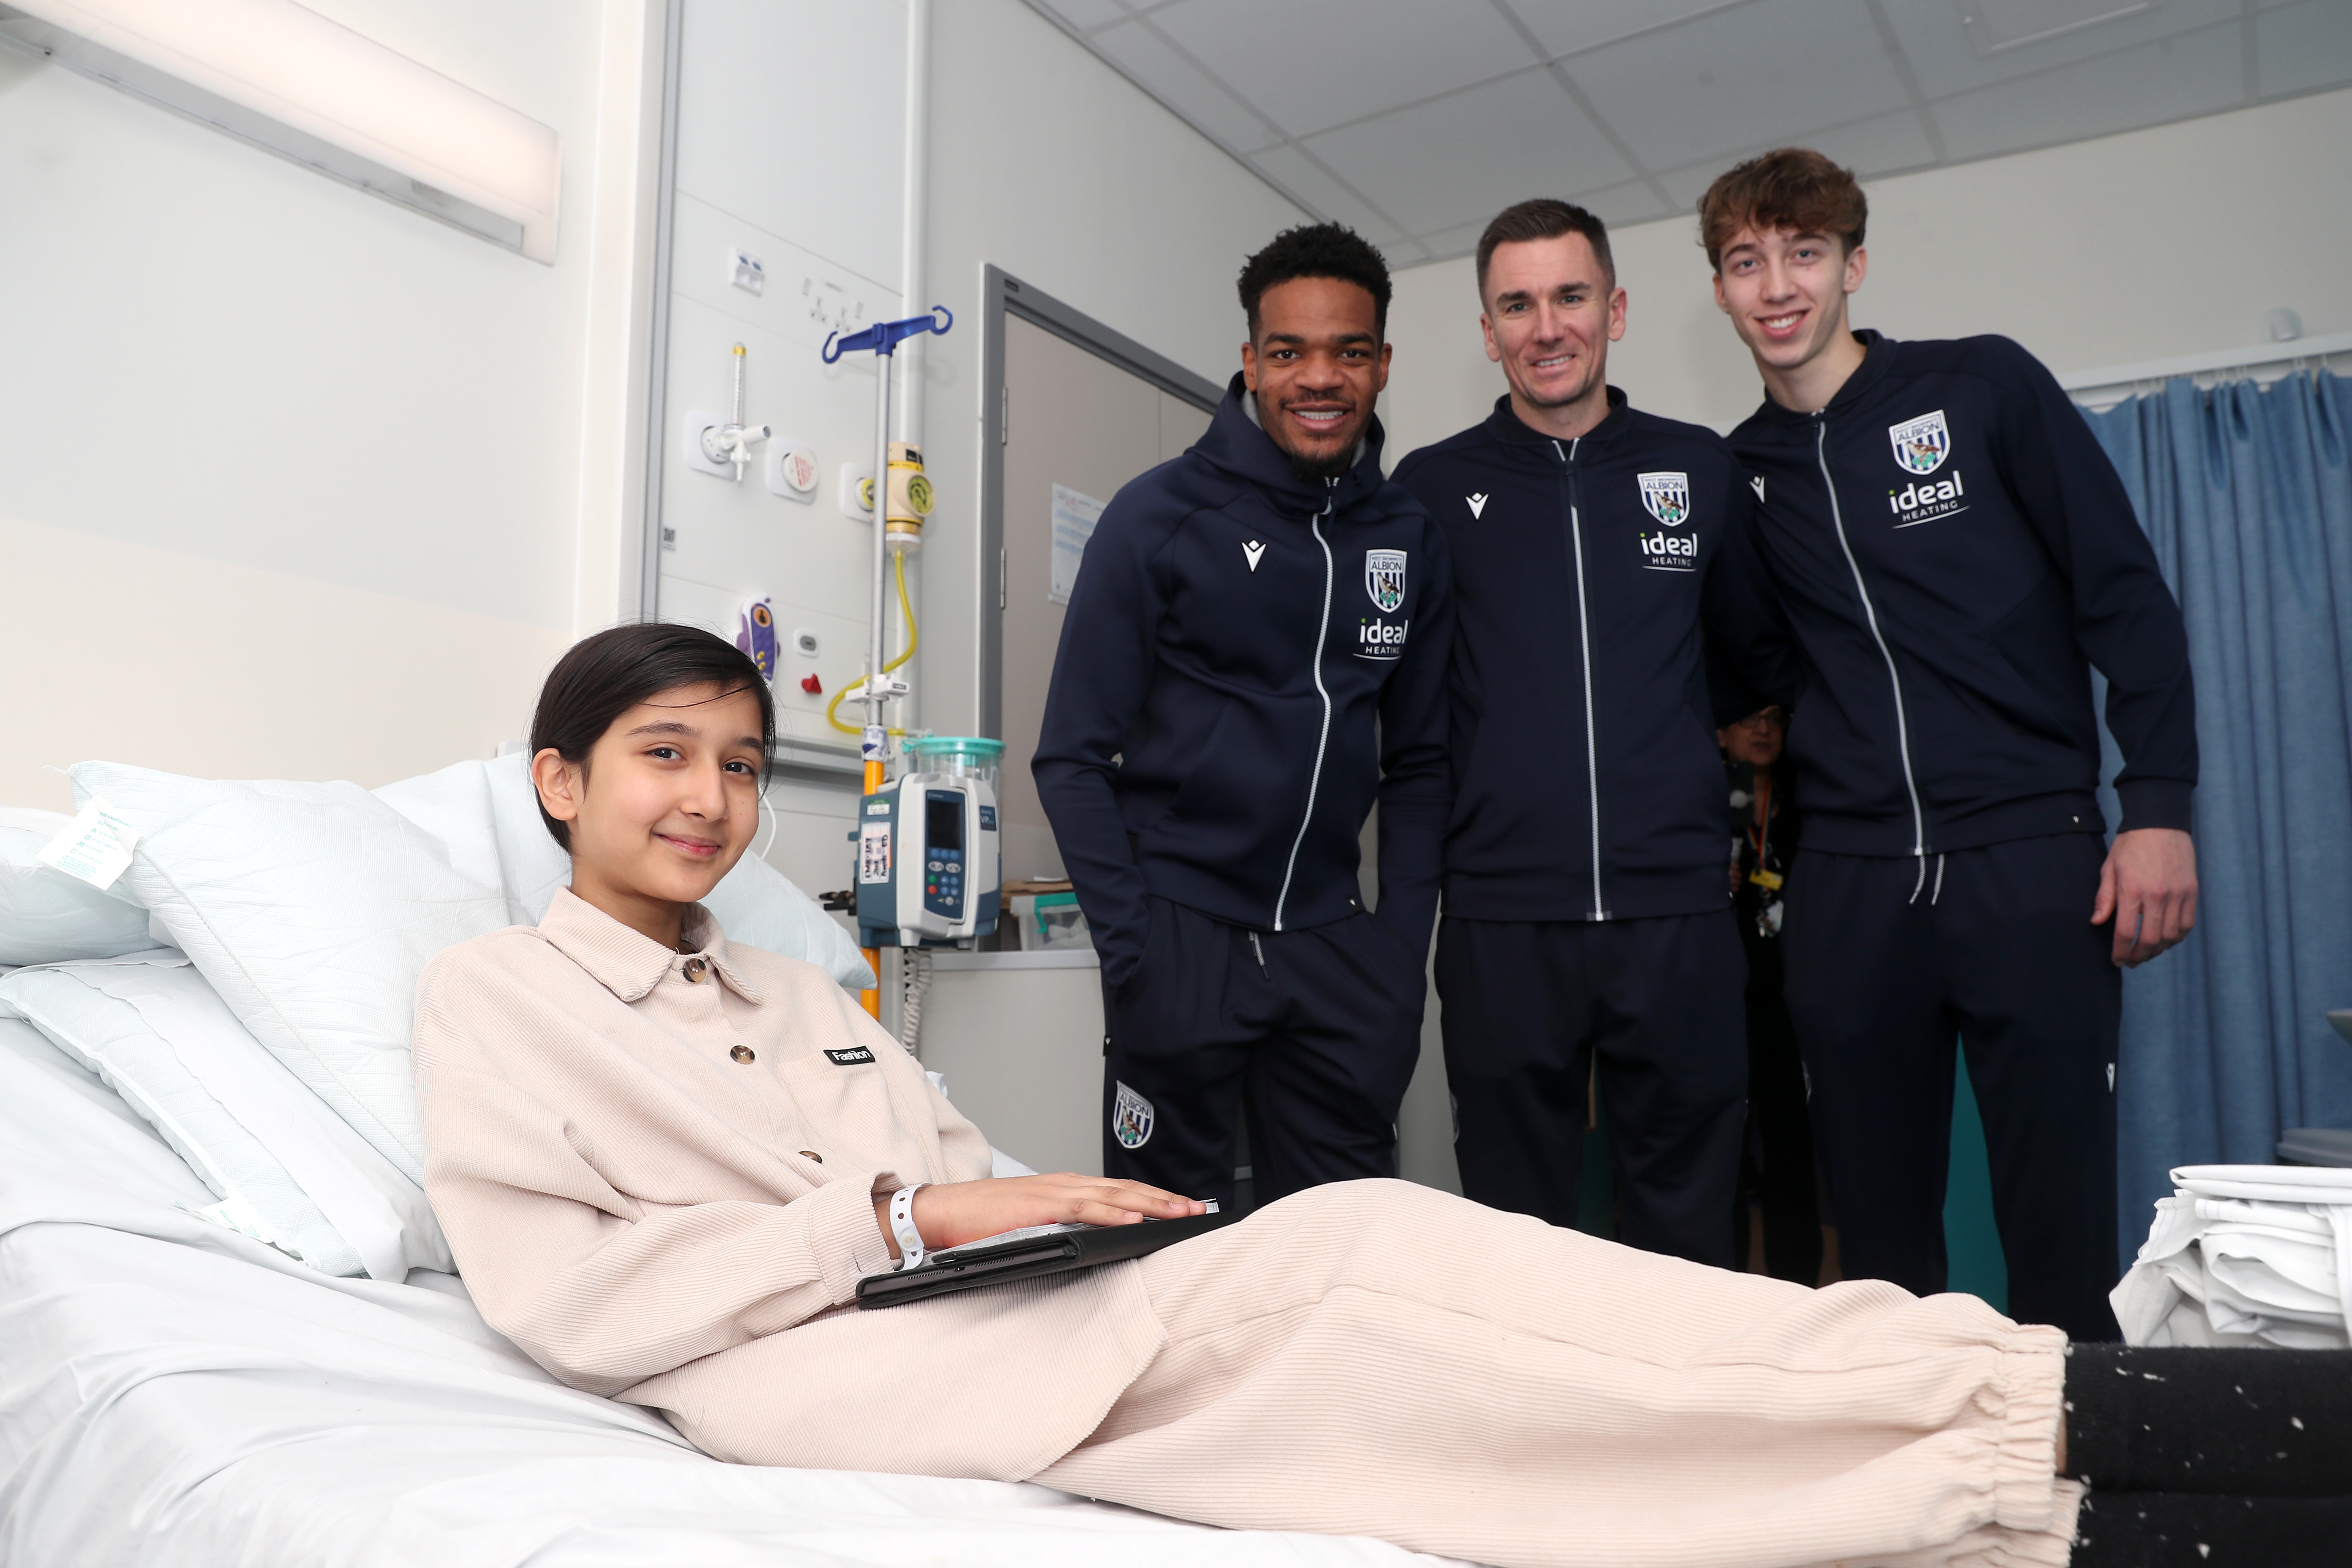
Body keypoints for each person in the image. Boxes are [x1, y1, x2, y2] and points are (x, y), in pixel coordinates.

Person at [410, 623, 2350, 1568]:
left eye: (743, 767)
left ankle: (2079, 1503)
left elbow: (953, 1174)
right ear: (558, 781)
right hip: (814, 1367)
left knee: (1464, 1413)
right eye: (664, 756)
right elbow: (568, 1304)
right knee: (1362, 1250)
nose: (711, 801)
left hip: (983, 1307)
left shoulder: (782, 979)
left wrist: (1043, 1200)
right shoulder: (497, 999)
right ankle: (2054, 1399)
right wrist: (915, 1223)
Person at [1700, 148, 2200, 1341]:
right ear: (1718, 289)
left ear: (1854, 265)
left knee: (2058, 1222)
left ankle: (2074, 1486)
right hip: (1854, 887)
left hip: (2031, 856)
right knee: (1877, 1248)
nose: (1777, 285)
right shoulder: (1739, 473)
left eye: (1804, 253)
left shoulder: (1980, 390)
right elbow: (1755, 669)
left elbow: (2123, 596)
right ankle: (1907, 1495)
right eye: (1745, 261)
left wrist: (2162, 809)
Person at [1390, 199, 1791, 1265]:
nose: (1546, 326)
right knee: (1515, 1232)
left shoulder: (1699, 470)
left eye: (1569, 296)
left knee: (1688, 1216)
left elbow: (1748, 662)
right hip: (1502, 927)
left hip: (1678, 918)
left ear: (1614, 310)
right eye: (1515, 305)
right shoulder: (1428, 491)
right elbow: (1407, 703)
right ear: (1487, 332)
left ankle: (1682, 1428)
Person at [1031, 224, 1453, 1210]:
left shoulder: (1409, 538)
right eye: (1289, 352)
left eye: (1349, 351)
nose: (1320, 377)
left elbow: (1423, 763)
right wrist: (1137, 950)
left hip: (1337, 950)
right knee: (1162, 1243)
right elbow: (1072, 757)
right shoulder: (1162, 514)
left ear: (1383, 364)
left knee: (1345, 1244)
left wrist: (1399, 950)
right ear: (1251, 363)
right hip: (1181, 941)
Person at [1719, 703, 1822, 1285]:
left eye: (1776, 719)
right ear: (1719, 729)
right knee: (1723, 1156)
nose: (1762, 728)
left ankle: (1800, 1291)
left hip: (1789, 1004)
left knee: (1790, 1154)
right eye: (1748, 717)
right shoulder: (1712, 803)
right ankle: (1724, 1287)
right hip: (1724, 1002)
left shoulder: (1803, 805)